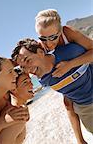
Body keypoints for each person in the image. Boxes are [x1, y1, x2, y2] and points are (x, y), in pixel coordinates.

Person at [11, 38, 93, 144]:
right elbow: (68, 99)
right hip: (85, 109)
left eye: (28, 60)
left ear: (40, 52)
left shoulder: (69, 52)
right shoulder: (44, 80)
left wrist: (70, 64)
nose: (28, 69)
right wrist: (80, 140)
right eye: (23, 67)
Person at [35, 9, 93, 143]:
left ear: (60, 31)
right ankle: (80, 140)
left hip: (87, 65)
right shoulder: (40, 48)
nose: (48, 43)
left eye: (53, 37)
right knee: (68, 103)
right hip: (70, 80)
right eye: (43, 38)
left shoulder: (68, 32)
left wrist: (70, 64)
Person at [0, 54, 30, 144]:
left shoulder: (7, 95)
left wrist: (23, 111)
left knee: (19, 119)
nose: (15, 74)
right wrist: (1, 122)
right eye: (10, 71)